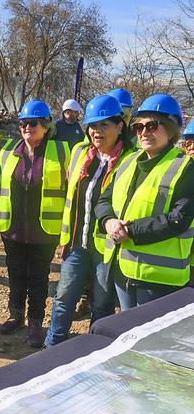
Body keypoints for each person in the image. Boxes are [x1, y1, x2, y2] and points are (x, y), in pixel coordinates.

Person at [45, 95, 132, 347]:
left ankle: (96, 350)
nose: (97, 131)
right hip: (76, 243)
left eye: (104, 124)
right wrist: (64, 240)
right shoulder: (80, 153)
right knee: (64, 297)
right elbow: (71, 198)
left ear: (119, 126)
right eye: (93, 125)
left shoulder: (129, 160)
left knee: (102, 303)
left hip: (107, 249)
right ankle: (52, 347)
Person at [95, 93, 194, 310]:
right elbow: (104, 200)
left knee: (151, 332)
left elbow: (179, 218)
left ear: (171, 128)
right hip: (122, 268)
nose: (144, 132)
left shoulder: (185, 167)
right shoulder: (128, 162)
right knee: (128, 327)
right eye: (139, 127)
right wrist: (109, 221)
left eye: (152, 125)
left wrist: (130, 231)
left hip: (158, 278)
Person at [0, 99, 70, 347]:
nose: (27, 128)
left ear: (46, 126)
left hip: (44, 230)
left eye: (33, 123)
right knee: (15, 274)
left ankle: (35, 323)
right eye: (23, 123)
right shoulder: (7, 152)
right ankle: (15, 316)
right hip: (12, 229)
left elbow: (72, 192)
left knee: (38, 278)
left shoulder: (62, 152)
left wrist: (68, 232)